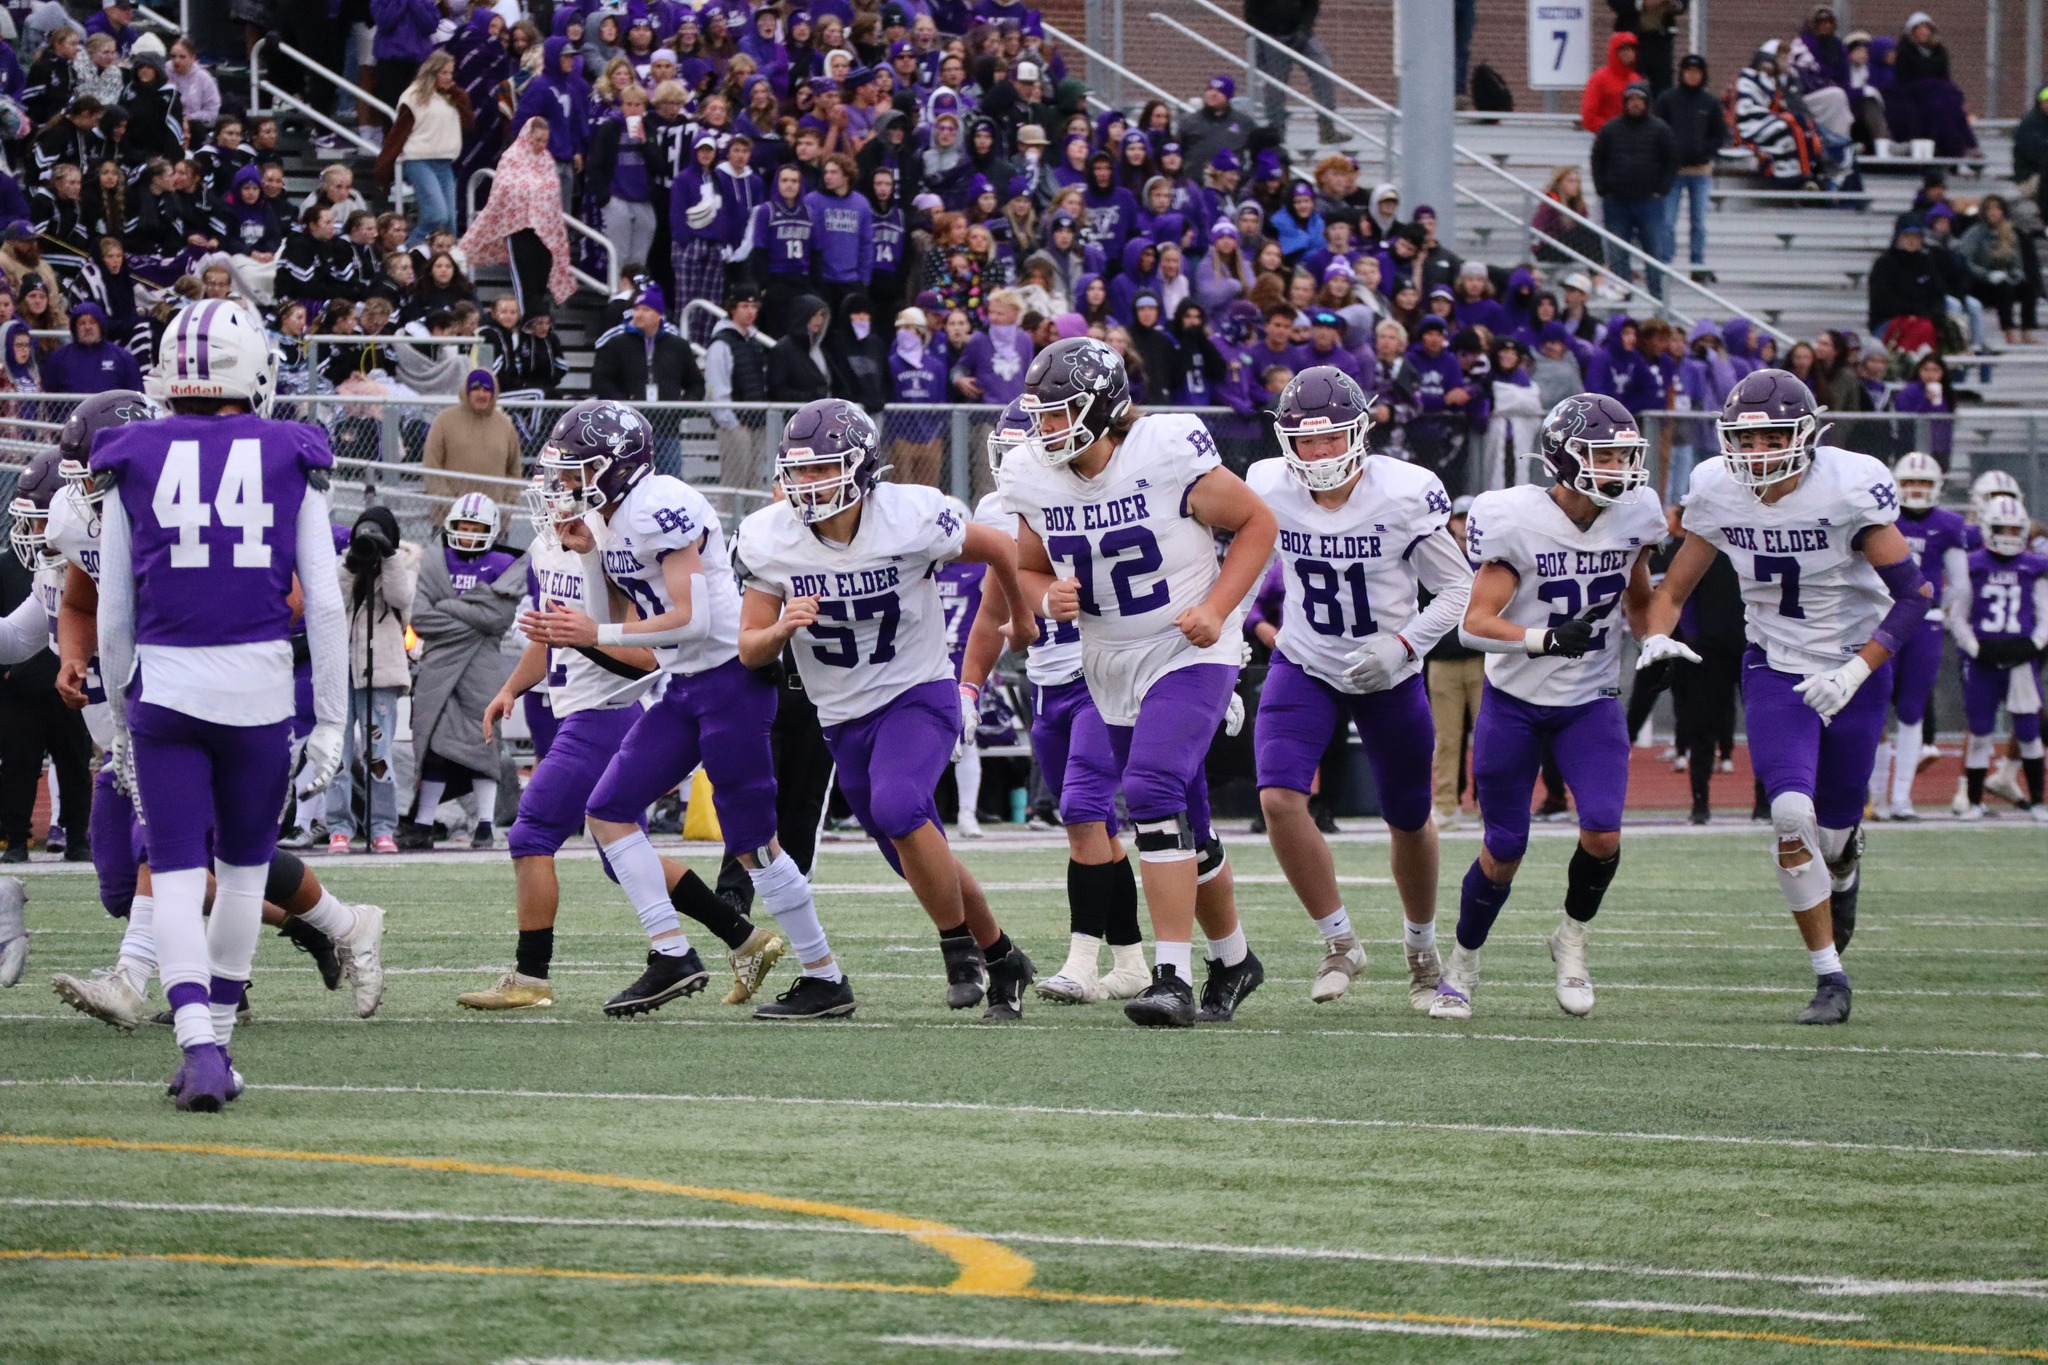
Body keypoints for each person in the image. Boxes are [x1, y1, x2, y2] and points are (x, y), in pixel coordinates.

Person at [90, 301, 351, 1108]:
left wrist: (117, 719)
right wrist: (333, 720)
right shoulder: (288, 450)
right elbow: (330, 603)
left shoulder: (131, 450)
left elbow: (112, 614)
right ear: (253, 372)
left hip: (167, 686)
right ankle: (219, 1050)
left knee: (172, 874)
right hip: (260, 691)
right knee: (241, 876)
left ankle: (199, 1046)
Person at [1643, 368, 1935, 1026]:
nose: (1758, 453)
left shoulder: (1849, 485)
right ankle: (1830, 976)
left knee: (1832, 834)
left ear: (1807, 433)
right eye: (1745, 441)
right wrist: (1656, 635)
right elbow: (1673, 588)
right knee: (1790, 815)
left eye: (1774, 436)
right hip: (1775, 666)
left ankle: (1846, 862)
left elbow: (1915, 596)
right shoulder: (1717, 489)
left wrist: (1856, 672)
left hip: (1857, 667)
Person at [529, 401, 839, 1020]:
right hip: (686, 687)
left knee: (755, 845)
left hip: (730, 683)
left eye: (578, 469)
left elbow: (690, 620)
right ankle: (671, 953)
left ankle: (825, 974)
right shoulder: (614, 516)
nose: (566, 484)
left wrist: (597, 633)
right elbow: (611, 621)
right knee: (608, 810)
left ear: (617, 467)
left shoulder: (659, 503)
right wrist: (590, 557)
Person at [1003, 336, 1278, 1026]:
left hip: (1188, 647)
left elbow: (1256, 522)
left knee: (1151, 790)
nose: (1048, 429)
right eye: (1042, 414)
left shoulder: (1163, 451)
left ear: (1104, 408)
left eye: (1063, 412)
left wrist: (1218, 609)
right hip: (1108, 660)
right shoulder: (1032, 473)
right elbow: (1030, 565)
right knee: (1188, 821)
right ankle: (1236, 959)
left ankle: (1172, 977)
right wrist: (1043, 598)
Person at [737, 398, 1036, 1018]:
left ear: (860, 467)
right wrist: (781, 630)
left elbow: (1002, 550)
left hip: (917, 692)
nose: (809, 483)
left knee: (899, 806)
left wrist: (1020, 617)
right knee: (918, 853)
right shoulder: (772, 538)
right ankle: (1004, 955)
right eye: (801, 469)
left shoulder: (911, 517)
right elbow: (748, 647)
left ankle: (957, 947)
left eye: (823, 469)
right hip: (840, 716)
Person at [1425, 395, 1663, 1022]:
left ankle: (1572, 939)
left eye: (1624, 455)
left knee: (1604, 831)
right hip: (1517, 700)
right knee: (1504, 847)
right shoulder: (1516, 518)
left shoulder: (1635, 513)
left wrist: (1656, 634)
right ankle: (1463, 965)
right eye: (1604, 454)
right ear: (1565, 457)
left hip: (1590, 699)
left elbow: (1640, 600)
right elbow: (1476, 623)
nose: (1619, 468)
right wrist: (1544, 639)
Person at [1247, 368, 1471, 1006]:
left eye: (1330, 439)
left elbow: (1457, 589)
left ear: (1360, 431)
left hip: (1389, 671)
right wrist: (1228, 640)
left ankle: (1422, 947)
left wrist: (1403, 645)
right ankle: (1340, 942)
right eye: (1304, 441)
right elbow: (1243, 561)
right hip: (1305, 658)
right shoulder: (1266, 484)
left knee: (1407, 815)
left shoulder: (1405, 491)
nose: (1317, 454)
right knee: (1279, 798)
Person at [956, 403, 1149, 1002]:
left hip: (1103, 676)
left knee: (1082, 810)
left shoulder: (1099, 496)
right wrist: (969, 685)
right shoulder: (999, 512)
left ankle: (1081, 961)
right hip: (1048, 685)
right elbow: (992, 611)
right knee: (1100, 833)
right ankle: (1134, 963)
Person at [458, 485, 668, 1011]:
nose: (552, 499)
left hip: (606, 710)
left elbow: (648, 653)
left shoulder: (612, 544)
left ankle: (532, 976)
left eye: (564, 485)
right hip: (577, 705)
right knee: (623, 856)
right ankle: (742, 937)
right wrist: (511, 688)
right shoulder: (544, 548)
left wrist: (588, 638)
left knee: (532, 831)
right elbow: (550, 633)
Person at [1870, 451, 1969, 820]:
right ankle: (1875, 797)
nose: (1915, 489)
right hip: (1885, 617)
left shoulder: (1947, 524)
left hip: (1924, 621)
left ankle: (1900, 798)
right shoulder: (1882, 517)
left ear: (1937, 487)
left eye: (1923, 483)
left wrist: (1948, 616)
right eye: (1909, 482)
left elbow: (1960, 584)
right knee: (1876, 705)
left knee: (1912, 711)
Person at [1946, 492, 2047, 821]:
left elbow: (2046, 613)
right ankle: (1974, 803)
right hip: (1983, 661)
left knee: (2030, 732)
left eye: (2013, 529)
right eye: (2000, 529)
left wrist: (2033, 645)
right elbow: (1957, 615)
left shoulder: (2033, 566)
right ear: (1989, 529)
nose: (2007, 536)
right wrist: (1976, 648)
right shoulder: (1972, 565)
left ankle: (2038, 802)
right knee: (1980, 733)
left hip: (2021, 660)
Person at [1590, 80, 1676, 300]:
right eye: (1631, 99)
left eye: (1640, 99)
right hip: (1616, 203)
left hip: (1649, 203)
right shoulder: (1610, 129)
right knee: (1617, 256)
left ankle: (1658, 301)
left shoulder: (1660, 129)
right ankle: (1622, 302)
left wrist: (1662, 189)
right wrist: (1602, 189)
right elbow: (1597, 159)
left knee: (1655, 254)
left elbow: (1672, 161)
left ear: (1647, 102)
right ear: (1625, 102)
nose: (1635, 104)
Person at [1656, 54, 1724, 282]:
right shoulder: (1667, 100)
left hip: (1700, 173)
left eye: (1697, 71)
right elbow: (1657, 129)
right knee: (1667, 222)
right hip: (1672, 173)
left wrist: (1705, 150)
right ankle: (1665, 264)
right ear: (1682, 73)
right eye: (1688, 71)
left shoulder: (1710, 102)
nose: (1692, 75)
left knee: (1699, 223)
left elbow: (1720, 134)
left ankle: (1697, 264)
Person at [421, 370, 521, 508]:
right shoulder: (444, 421)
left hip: (494, 518)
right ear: (466, 391)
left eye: (486, 389)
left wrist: (507, 503)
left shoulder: (505, 425)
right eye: (476, 389)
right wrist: (446, 502)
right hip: (450, 517)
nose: (481, 394)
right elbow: (431, 465)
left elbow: (514, 469)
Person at [705, 284, 773, 488]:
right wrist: (731, 424)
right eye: (744, 305)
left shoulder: (753, 342)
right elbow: (716, 387)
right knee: (734, 483)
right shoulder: (721, 344)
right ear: (732, 308)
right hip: (735, 426)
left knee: (755, 484)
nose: (750, 311)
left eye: (754, 306)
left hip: (756, 423)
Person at [1244, 0, 1338, 144]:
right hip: (1270, 36)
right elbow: (1250, 11)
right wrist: (1256, 39)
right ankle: (1277, 133)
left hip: (1299, 32)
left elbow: (1312, 6)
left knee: (1323, 70)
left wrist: (1304, 31)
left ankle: (1327, 126)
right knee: (1275, 85)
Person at [1580, 33, 1641, 133]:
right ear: (1614, 51)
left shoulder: (1637, 79)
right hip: (1608, 140)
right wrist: (1614, 131)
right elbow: (1588, 117)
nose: (1628, 53)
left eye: (1631, 49)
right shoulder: (1599, 79)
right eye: (1623, 49)